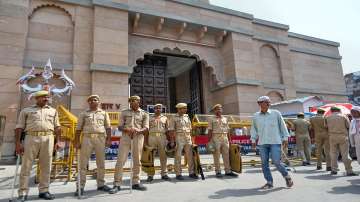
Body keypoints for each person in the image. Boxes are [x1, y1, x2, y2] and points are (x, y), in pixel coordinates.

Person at [15, 90, 63, 201]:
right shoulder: (26, 111)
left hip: (48, 138)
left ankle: (44, 191)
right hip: (31, 137)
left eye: (47, 97)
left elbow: (57, 127)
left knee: (46, 166)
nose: (46, 99)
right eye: (43, 97)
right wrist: (18, 143)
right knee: (26, 166)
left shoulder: (53, 111)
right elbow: (19, 127)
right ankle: (22, 192)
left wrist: (58, 141)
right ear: (36, 98)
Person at [250, 96, 293, 189]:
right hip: (262, 143)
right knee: (264, 163)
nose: (262, 104)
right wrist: (253, 140)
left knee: (277, 162)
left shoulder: (276, 113)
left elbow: (282, 125)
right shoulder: (256, 116)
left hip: (275, 141)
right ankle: (269, 182)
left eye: (264, 102)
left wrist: (285, 137)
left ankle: (287, 176)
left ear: (268, 103)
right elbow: (254, 129)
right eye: (260, 102)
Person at [110, 96, 149, 193]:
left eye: (134, 101)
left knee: (137, 161)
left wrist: (138, 130)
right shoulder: (124, 112)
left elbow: (146, 128)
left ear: (139, 102)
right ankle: (117, 184)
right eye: (130, 101)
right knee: (120, 161)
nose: (132, 102)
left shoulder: (144, 114)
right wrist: (127, 129)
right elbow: (119, 126)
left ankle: (136, 182)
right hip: (126, 137)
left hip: (138, 137)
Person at [74, 95, 112, 195]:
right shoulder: (83, 114)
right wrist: (77, 141)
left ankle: (101, 184)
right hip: (87, 138)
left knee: (101, 163)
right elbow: (78, 129)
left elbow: (108, 127)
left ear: (98, 102)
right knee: (83, 163)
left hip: (100, 138)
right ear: (88, 102)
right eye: (91, 100)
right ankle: (80, 186)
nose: (93, 101)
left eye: (95, 100)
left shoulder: (104, 113)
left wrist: (109, 139)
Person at [168, 103, 198, 180]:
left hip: (187, 137)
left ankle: (191, 172)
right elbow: (171, 130)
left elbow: (190, 129)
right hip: (178, 137)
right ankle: (178, 173)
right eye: (184, 108)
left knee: (190, 155)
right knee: (178, 156)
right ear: (179, 109)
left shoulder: (187, 116)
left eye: (186, 108)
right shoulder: (173, 118)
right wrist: (172, 141)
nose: (186, 109)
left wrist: (192, 139)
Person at [208, 104, 238, 178]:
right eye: (217, 109)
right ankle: (218, 171)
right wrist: (209, 141)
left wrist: (230, 140)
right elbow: (210, 131)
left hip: (225, 138)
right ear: (214, 111)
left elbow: (228, 131)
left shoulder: (225, 119)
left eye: (220, 109)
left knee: (226, 155)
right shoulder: (211, 119)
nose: (219, 110)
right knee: (216, 156)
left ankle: (228, 171)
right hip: (215, 137)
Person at [325, 106, 357, 175]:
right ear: (339, 110)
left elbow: (326, 127)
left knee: (333, 154)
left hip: (332, 137)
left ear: (331, 110)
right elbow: (348, 126)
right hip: (343, 136)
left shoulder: (327, 117)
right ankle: (349, 170)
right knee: (345, 154)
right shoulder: (343, 116)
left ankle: (334, 170)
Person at [145, 103, 170, 182]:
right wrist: (145, 141)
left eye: (159, 108)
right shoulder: (149, 118)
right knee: (150, 157)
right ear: (153, 109)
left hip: (162, 137)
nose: (158, 109)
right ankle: (150, 175)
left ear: (162, 109)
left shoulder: (165, 118)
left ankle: (164, 173)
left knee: (163, 156)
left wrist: (169, 140)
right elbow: (146, 130)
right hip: (151, 137)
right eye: (156, 108)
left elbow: (167, 130)